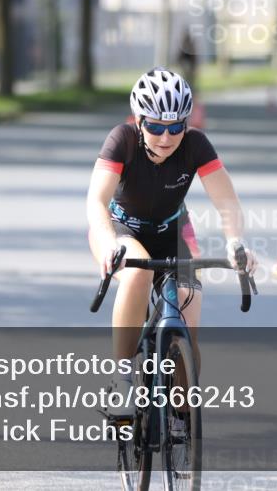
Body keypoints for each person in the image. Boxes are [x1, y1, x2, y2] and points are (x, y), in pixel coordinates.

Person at [86, 67, 256, 416]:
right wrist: (108, 242)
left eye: (176, 127)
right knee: (138, 273)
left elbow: (226, 201)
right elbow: (96, 201)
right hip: (120, 230)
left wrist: (235, 243)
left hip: (172, 230)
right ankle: (122, 380)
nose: (166, 137)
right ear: (138, 121)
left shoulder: (195, 145)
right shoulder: (122, 140)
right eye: (155, 127)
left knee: (187, 322)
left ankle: (181, 417)